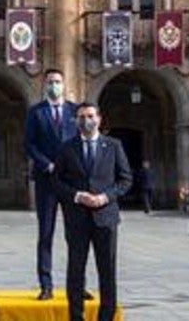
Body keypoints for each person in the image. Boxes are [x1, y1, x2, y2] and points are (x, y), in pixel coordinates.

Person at [52, 102, 132, 321]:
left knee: (107, 271)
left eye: (90, 116)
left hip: (105, 218)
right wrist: (78, 196)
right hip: (77, 218)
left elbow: (125, 179)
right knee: (75, 271)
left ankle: (106, 316)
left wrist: (105, 197)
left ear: (99, 118)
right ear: (76, 121)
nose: (86, 120)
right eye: (81, 117)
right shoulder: (67, 148)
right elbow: (56, 181)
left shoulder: (113, 145)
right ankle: (76, 316)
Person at [24, 67, 79, 299]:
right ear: (44, 86)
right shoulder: (36, 112)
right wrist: (47, 164)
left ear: (64, 84)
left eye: (57, 81)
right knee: (45, 233)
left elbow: (80, 141)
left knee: (75, 234)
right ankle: (46, 284)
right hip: (46, 179)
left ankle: (77, 284)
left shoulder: (75, 111)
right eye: (50, 82)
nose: (54, 85)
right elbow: (29, 144)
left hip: (71, 181)